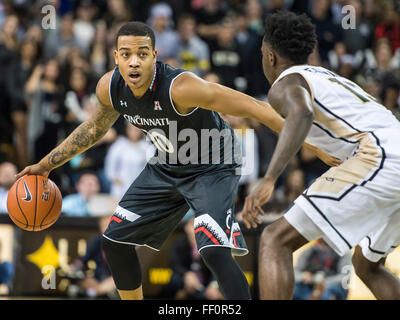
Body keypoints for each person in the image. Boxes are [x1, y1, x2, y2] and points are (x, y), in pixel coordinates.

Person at [16, 21, 338, 300]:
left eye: (142, 53)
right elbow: (93, 128)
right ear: (115, 58)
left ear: (155, 56)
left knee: (212, 249)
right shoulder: (110, 87)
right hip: (167, 164)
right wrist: (46, 165)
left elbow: (255, 108)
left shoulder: (179, 87)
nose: (134, 62)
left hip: (214, 163)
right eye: (126, 54)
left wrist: (318, 148)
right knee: (113, 242)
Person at [241, 11, 400, 300]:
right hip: (391, 152)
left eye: (263, 52)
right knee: (367, 265)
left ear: (270, 56)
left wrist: (270, 178)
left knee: (274, 240)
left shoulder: (286, 83)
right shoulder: (326, 76)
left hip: (382, 157)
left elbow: (301, 113)